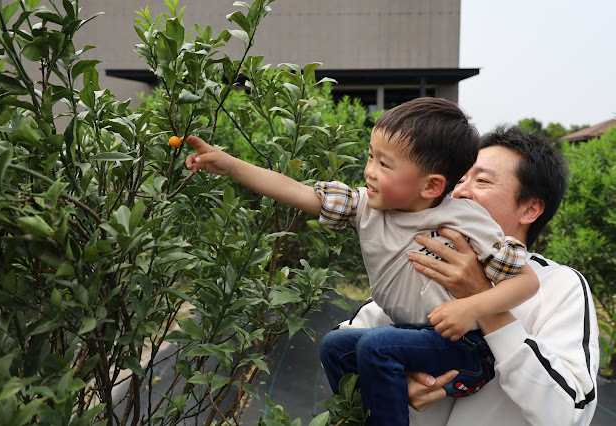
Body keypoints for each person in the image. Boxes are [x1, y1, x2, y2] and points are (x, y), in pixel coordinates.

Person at [185, 97, 539, 425]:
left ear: (431, 186)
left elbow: (527, 281)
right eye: (372, 156)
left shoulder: (467, 220)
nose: (370, 170)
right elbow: (295, 190)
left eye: (384, 164)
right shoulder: (364, 206)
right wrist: (228, 164)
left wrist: (471, 307)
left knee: (376, 343)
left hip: (467, 351)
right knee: (336, 346)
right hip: (411, 339)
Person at [346, 126, 599, 425]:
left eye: (481, 180)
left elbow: (568, 413)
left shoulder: (559, 286)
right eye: (460, 179)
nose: (461, 190)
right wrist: (401, 378)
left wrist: (481, 298)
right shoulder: (420, 261)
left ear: (530, 208)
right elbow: (350, 342)